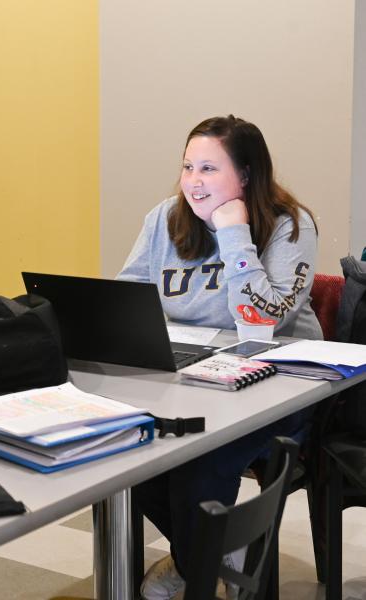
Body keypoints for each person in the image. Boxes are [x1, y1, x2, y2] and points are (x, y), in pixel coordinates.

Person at [117, 115, 320, 599]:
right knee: (127, 451)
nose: (193, 181)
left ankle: (199, 563)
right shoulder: (164, 217)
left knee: (195, 460)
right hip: (190, 375)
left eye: (208, 168)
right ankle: (216, 553)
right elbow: (130, 297)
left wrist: (233, 234)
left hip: (277, 384)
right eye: (188, 167)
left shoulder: (291, 224)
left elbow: (259, 318)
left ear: (246, 175)